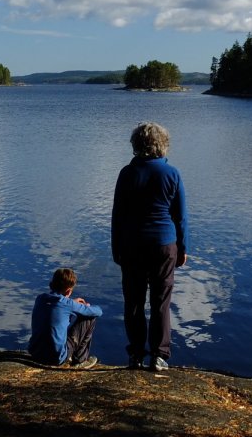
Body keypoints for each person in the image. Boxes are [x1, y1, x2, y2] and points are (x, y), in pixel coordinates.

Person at [111, 121, 188, 371]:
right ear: (162, 144)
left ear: (136, 144)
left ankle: (136, 354)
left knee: (133, 301)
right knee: (160, 301)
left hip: (131, 244)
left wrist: (116, 248)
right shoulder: (172, 173)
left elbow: (118, 215)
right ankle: (159, 356)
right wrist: (183, 248)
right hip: (163, 245)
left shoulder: (127, 173)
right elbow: (180, 217)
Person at [28, 267, 102, 369]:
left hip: (35, 354)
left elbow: (58, 308)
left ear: (52, 284)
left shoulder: (40, 298)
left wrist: (72, 303)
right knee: (90, 318)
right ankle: (80, 361)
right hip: (56, 358)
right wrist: (86, 306)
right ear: (68, 291)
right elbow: (98, 312)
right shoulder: (67, 304)